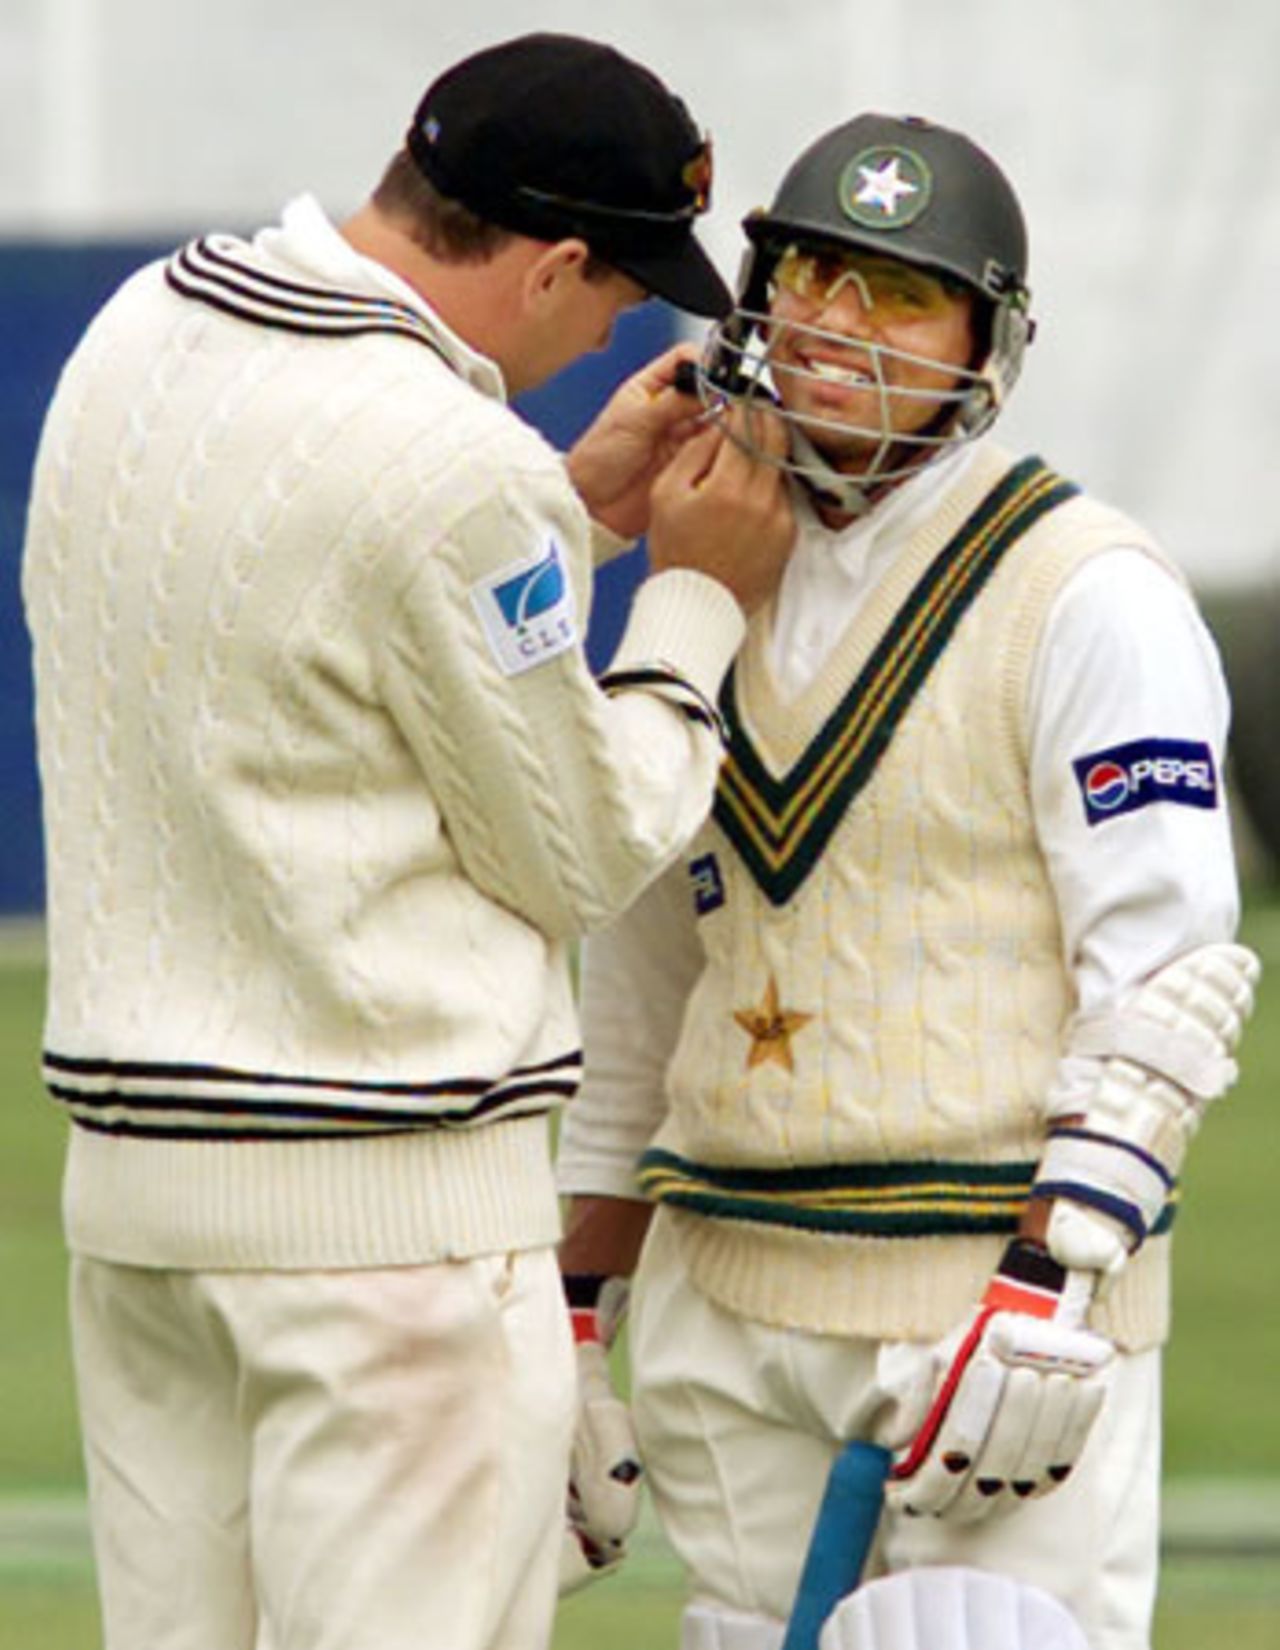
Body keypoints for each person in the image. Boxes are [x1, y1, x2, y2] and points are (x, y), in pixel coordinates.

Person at [20, 32, 796, 1650]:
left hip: (142, 1218)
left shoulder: (143, 323)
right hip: (389, 1239)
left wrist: (571, 512)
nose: (613, 331)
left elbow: (300, 623)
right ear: (556, 261)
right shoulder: (454, 466)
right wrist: (697, 596)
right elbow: (583, 851)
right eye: (616, 295)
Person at [556, 112, 1260, 1650]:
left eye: (895, 295)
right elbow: (638, 980)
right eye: (809, 272)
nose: (833, 325)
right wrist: (575, 1306)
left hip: (987, 1296)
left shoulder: (1088, 589)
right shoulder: (702, 563)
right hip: (726, 1281)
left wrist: (1047, 1278)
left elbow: (1168, 971)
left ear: (986, 341)